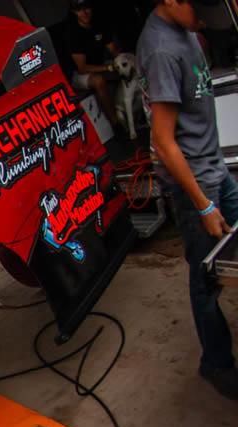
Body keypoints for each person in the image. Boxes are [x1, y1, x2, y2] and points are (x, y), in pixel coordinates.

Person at [138, 0, 238, 400]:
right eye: (198, 10)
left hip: (216, 169)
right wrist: (203, 205)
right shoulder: (161, 50)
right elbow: (163, 141)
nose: (202, 21)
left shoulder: (186, 25)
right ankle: (216, 363)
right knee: (206, 277)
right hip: (195, 185)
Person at [67, 0, 122, 123]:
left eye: (86, 8)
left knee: (127, 67)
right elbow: (82, 68)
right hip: (78, 75)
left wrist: (125, 60)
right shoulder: (74, 33)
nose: (84, 12)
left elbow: (114, 51)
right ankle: (116, 123)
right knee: (99, 80)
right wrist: (108, 68)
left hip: (101, 64)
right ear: (74, 12)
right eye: (79, 9)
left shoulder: (98, 25)